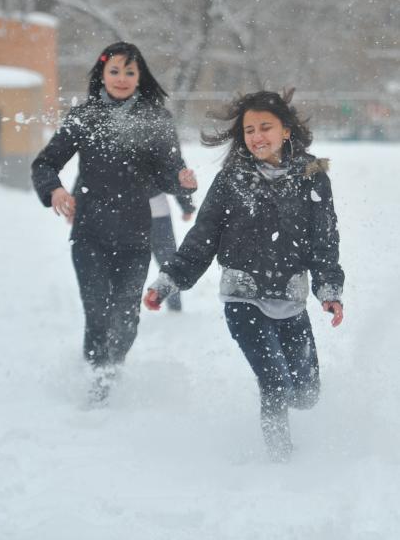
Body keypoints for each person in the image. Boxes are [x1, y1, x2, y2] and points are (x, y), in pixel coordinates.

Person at [144, 89, 344, 462]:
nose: (256, 137)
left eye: (265, 127)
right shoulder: (232, 179)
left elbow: (324, 240)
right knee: (274, 381)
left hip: (291, 298)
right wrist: (169, 279)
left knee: (305, 391)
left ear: (286, 130)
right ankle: (281, 459)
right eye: (249, 130)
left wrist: (329, 289)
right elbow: (202, 238)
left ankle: (289, 450)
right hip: (243, 297)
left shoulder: (313, 177)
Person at [32, 41, 196, 402]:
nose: (122, 79)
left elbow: (171, 171)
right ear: (102, 74)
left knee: (125, 315)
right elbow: (45, 164)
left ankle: (113, 366)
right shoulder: (84, 116)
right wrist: (56, 192)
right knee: (97, 311)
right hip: (89, 233)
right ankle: (98, 376)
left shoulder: (155, 119)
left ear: (140, 77)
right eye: (115, 71)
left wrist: (184, 185)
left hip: (136, 237)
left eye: (130, 72)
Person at [149, 192, 194, 311]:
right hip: (126, 217)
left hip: (157, 215)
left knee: (169, 265)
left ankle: (175, 309)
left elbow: (175, 177)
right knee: (168, 262)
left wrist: (186, 206)